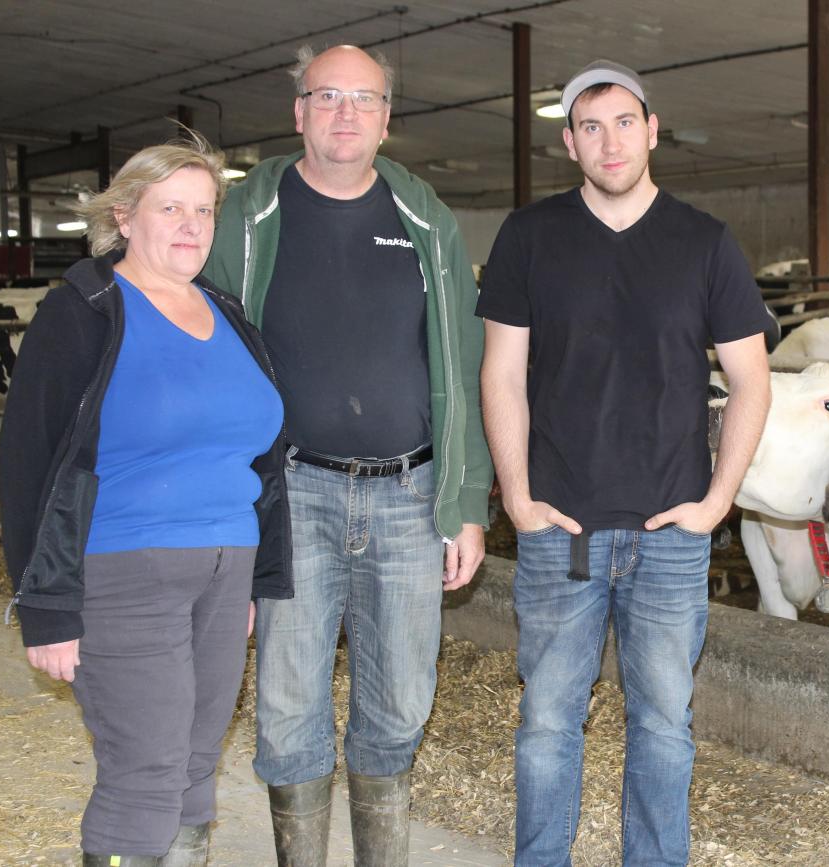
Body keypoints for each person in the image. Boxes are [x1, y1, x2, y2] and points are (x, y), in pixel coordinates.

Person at [201, 44, 491, 865]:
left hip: (410, 491)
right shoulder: (245, 219)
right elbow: (209, 353)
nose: (345, 113)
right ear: (298, 112)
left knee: (399, 700)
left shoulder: (427, 219)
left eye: (364, 99)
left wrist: (466, 502)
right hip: (291, 494)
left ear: (387, 118)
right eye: (327, 96)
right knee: (289, 703)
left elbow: (463, 366)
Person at [478, 59, 773, 866]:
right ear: (569, 143)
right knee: (546, 721)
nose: (609, 141)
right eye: (589, 126)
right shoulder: (529, 237)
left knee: (665, 725)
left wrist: (716, 502)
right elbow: (501, 371)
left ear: (651, 131)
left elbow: (752, 378)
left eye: (623, 122)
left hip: (671, 530)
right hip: (559, 526)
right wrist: (517, 494)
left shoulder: (704, 242)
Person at [0, 132, 289, 867]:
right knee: (146, 768)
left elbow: (258, 452)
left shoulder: (225, 312)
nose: (192, 225)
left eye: (204, 209)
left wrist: (255, 579)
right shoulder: (85, 311)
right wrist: (47, 606)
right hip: (124, 567)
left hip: (227, 569)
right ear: (125, 216)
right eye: (171, 208)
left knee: (195, 761)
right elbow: (29, 460)